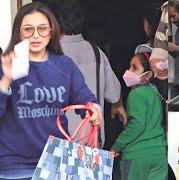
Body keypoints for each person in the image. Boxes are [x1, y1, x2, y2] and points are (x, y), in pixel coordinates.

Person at [0, 2, 101, 179]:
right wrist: (6, 79)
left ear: (51, 31)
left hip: (55, 165)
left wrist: (93, 109)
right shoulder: (6, 66)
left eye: (42, 28)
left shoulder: (64, 65)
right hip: (14, 169)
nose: (36, 35)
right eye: (28, 29)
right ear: (19, 32)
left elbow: (84, 97)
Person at [47, 0, 126, 142]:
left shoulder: (50, 54)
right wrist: (118, 104)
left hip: (59, 142)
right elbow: (114, 93)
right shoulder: (96, 53)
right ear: (82, 21)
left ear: (55, 23)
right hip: (91, 140)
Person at [111, 53, 167, 180]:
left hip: (137, 155)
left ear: (148, 75)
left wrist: (117, 146)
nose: (129, 71)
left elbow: (137, 125)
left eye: (134, 68)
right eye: (130, 67)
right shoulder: (155, 91)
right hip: (158, 154)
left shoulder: (136, 94)